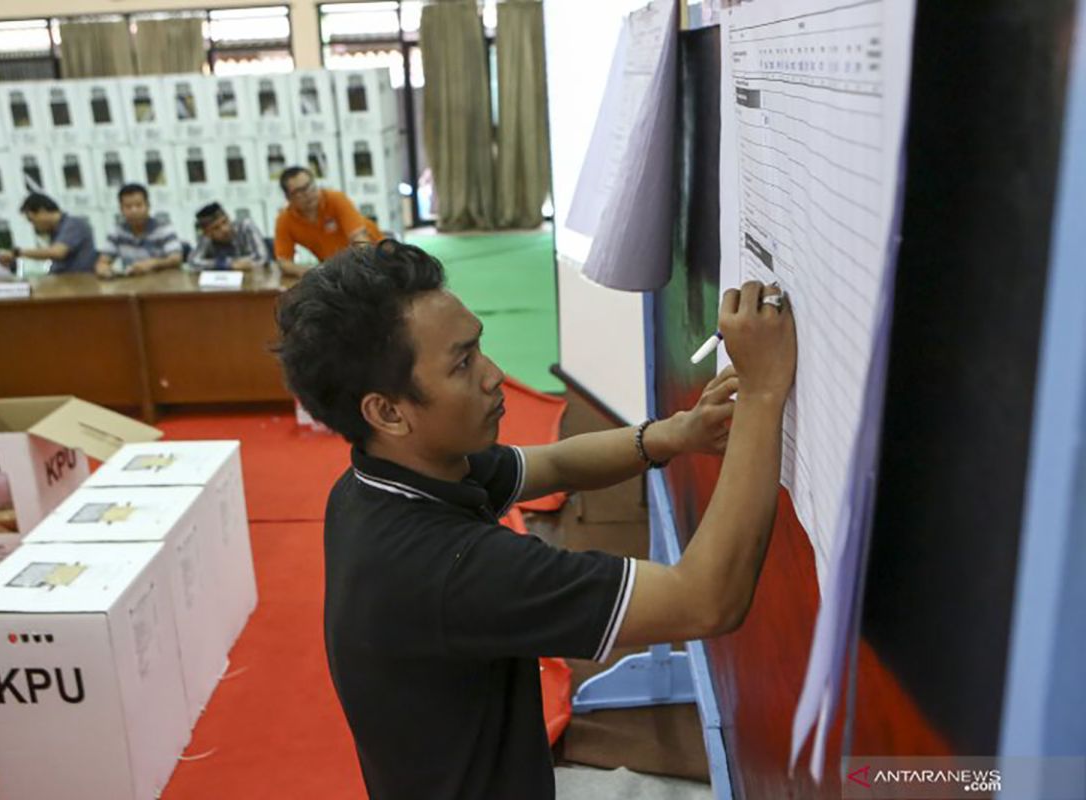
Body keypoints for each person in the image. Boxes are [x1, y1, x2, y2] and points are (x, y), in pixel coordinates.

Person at [273, 240, 797, 799]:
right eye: (462, 363)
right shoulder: (450, 570)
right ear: (388, 411)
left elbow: (550, 464)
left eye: (479, 349)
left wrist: (674, 434)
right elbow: (703, 600)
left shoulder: (372, 483)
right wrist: (763, 393)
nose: (495, 374)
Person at [273, 166, 383, 277]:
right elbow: (283, 262)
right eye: (299, 191)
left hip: (375, 258)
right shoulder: (285, 220)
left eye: (309, 186)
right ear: (288, 198)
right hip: (337, 270)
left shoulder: (336, 199)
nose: (307, 194)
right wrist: (309, 272)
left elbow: (361, 241)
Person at [94, 183, 183, 279]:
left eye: (139, 205)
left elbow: (176, 259)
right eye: (128, 207)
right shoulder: (117, 231)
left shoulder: (163, 228)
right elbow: (103, 261)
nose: (134, 211)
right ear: (121, 209)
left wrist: (154, 263)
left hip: (163, 283)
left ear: (148, 206)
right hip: (132, 285)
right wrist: (103, 268)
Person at [0, 193, 96, 275]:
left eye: (32, 220)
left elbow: (57, 252)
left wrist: (18, 253)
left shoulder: (74, 225)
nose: (34, 226)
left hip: (77, 284)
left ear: (42, 211)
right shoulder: (57, 230)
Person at [188, 202, 271, 272]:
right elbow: (193, 262)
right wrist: (227, 264)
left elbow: (262, 258)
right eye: (216, 228)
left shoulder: (246, 226)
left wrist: (231, 264)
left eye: (225, 222)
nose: (225, 229)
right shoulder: (206, 238)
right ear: (208, 233)